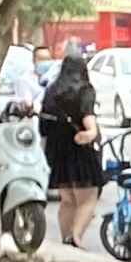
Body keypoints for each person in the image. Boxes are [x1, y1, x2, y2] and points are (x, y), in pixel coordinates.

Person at [40, 47, 105, 247]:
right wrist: (91, 132)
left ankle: (66, 239)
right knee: (88, 198)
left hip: (58, 151)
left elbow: (43, 125)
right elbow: (87, 116)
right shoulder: (85, 90)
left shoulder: (52, 90)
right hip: (80, 151)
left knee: (67, 200)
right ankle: (76, 237)